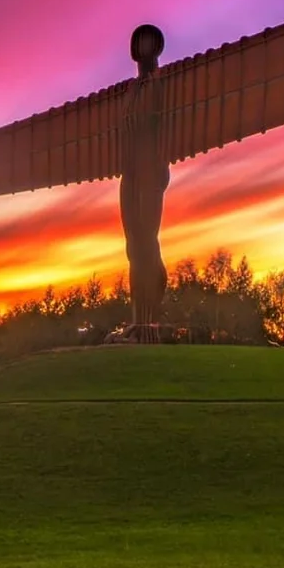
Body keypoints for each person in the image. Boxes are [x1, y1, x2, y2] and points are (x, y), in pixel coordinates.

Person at [118, 23, 169, 338]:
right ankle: (138, 317)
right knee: (133, 243)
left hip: (152, 167)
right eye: (140, 41)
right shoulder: (128, 91)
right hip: (130, 170)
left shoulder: (168, 84)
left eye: (150, 41)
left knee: (146, 240)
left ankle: (149, 317)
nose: (144, 47)